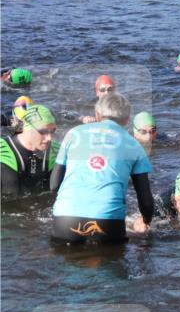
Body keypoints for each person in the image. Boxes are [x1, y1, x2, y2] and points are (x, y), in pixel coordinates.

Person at [51, 92, 154, 244]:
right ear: (126, 120)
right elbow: (145, 200)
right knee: (109, 264)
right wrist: (146, 221)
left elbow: (54, 185)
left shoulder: (73, 134)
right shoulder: (134, 145)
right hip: (108, 223)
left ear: (97, 115)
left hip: (64, 219)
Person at [1, 104, 60, 197]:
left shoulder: (57, 152)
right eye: (42, 131)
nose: (49, 138)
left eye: (52, 131)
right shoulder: (2, 152)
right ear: (27, 128)